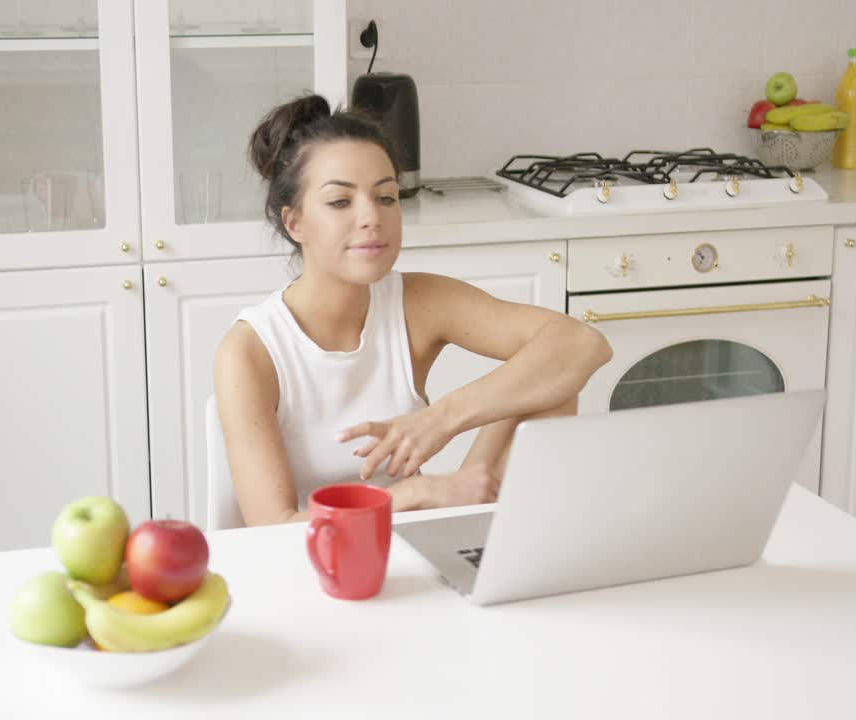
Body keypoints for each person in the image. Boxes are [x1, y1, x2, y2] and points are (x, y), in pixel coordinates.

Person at [214, 94, 612, 526]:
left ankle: (501, 552)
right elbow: (273, 529)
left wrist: (440, 419)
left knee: (552, 382)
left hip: (415, 550)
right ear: (296, 224)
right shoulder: (251, 350)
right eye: (340, 202)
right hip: (317, 566)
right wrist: (416, 493)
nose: (371, 217)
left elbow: (583, 344)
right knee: (546, 377)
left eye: (386, 197)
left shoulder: (418, 301)